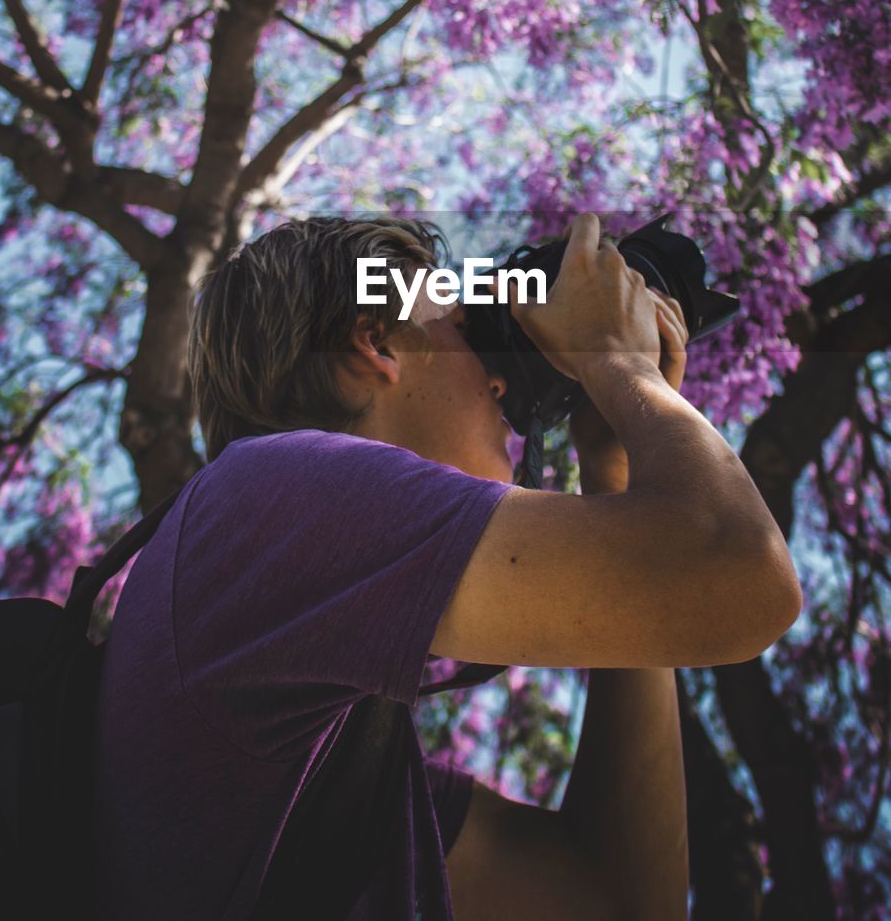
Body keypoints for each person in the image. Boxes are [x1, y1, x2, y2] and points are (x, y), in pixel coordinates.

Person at [91, 211, 803, 920]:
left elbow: (618, 900)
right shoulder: (263, 491)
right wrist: (620, 362)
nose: (501, 387)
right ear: (375, 343)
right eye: (466, 333)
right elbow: (745, 581)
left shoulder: (338, 764)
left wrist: (610, 466)